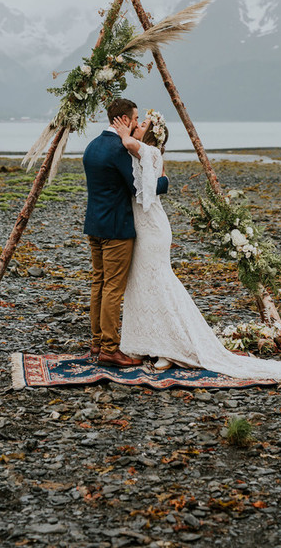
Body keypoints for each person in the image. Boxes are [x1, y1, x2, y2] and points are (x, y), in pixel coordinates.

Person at [113, 110, 281, 381]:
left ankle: (171, 347)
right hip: (140, 227)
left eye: (142, 123)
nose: (136, 125)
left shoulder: (150, 152)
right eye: (137, 121)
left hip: (153, 231)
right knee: (140, 283)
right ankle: (147, 341)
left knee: (158, 282)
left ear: (150, 133)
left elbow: (128, 144)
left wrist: (123, 132)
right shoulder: (142, 153)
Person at [82, 98, 169, 368]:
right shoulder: (119, 150)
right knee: (113, 288)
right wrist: (163, 181)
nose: (136, 122)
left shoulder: (91, 146)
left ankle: (96, 342)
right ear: (124, 120)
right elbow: (139, 190)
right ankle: (109, 348)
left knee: (98, 282)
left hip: (94, 224)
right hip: (117, 229)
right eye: (134, 118)